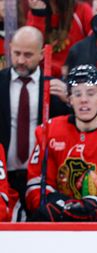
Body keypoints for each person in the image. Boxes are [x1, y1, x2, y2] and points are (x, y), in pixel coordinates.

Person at [25, 64, 97, 222]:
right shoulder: (48, 131)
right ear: (69, 99)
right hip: (58, 226)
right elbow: (36, 187)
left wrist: (93, 209)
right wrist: (57, 205)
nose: (84, 100)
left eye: (91, 93)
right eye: (77, 94)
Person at [0, 26, 70, 203]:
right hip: (4, 175)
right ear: (10, 48)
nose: (20, 60)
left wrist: (70, 100)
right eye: (16, 53)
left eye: (28, 55)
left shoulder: (56, 88)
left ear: (42, 54)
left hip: (42, 177)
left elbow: (73, 126)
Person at [26, 0, 94, 78]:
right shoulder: (35, 11)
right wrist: (38, 14)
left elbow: (93, 46)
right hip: (42, 76)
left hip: (75, 76)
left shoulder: (82, 10)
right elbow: (30, 49)